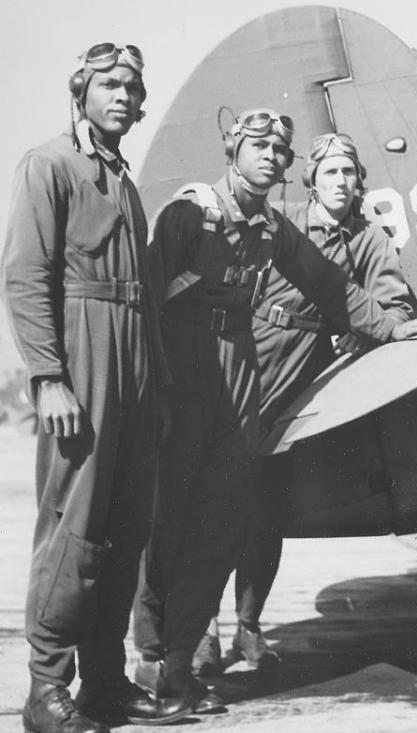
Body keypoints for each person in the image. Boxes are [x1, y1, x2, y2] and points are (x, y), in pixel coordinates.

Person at [132, 109, 417, 713]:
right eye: (259, 146)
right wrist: (148, 387)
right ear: (232, 151)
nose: (271, 155)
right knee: (170, 516)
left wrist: (391, 329)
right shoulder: (192, 210)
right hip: (189, 371)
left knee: (220, 521)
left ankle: (180, 667)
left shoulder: (274, 227)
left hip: (242, 374)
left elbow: (331, 287)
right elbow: (146, 295)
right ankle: (149, 654)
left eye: (280, 148)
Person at [2, 44, 191, 732]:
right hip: (82, 356)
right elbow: (25, 277)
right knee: (75, 530)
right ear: (81, 92)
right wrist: (48, 376)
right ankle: (46, 690)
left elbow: (144, 294)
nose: (123, 96)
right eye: (109, 83)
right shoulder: (48, 165)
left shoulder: (125, 182)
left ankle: (104, 681)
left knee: (126, 525)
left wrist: (159, 387)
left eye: (132, 88)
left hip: (135, 365)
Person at [192, 132, 417, 673]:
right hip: (252, 358)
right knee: (218, 501)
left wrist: (368, 333)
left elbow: (395, 304)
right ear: (311, 179)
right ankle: (202, 629)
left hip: (307, 382)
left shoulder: (371, 239)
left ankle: (249, 627)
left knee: (267, 507)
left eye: (350, 172)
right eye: (331, 172)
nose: (341, 181)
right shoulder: (283, 218)